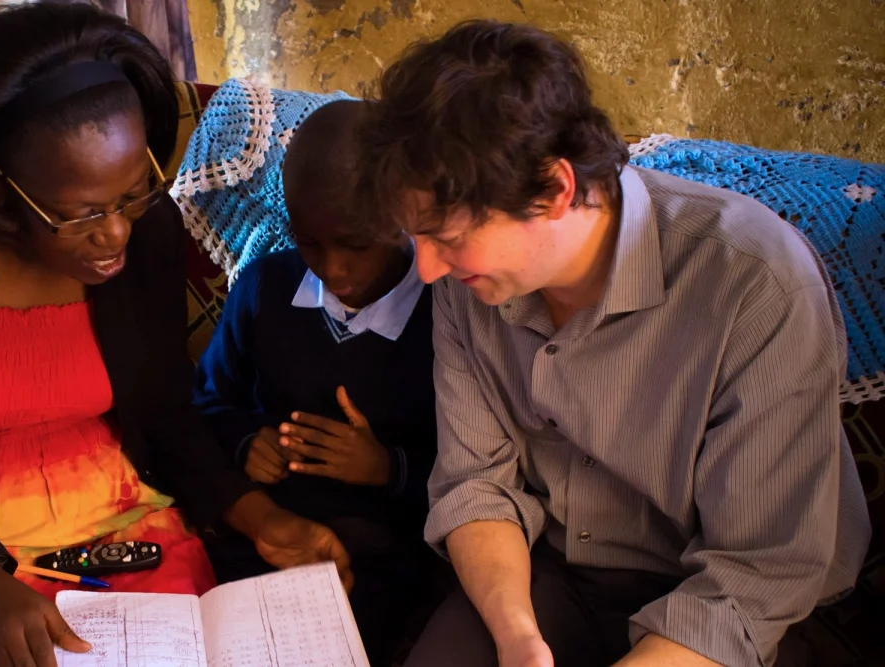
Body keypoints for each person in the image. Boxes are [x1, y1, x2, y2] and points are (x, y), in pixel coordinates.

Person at [0, 5, 350, 667]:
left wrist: (263, 517)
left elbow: (168, 420)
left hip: (126, 524)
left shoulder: (146, 232)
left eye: (131, 194)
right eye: (81, 213)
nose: (116, 233)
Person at [351, 20, 871, 667]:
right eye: (417, 236)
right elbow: (475, 483)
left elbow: (758, 576)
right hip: (556, 575)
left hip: (740, 610)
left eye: (449, 237)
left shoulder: (755, 283)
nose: (426, 269)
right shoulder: (471, 281)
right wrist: (519, 639)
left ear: (555, 188)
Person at [194, 100, 442, 666]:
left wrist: (388, 468)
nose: (332, 267)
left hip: (384, 553)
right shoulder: (265, 286)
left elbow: (488, 468)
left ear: (401, 215)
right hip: (267, 532)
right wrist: (244, 441)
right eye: (310, 242)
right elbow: (207, 399)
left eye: (356, 243)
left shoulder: (446, 314)